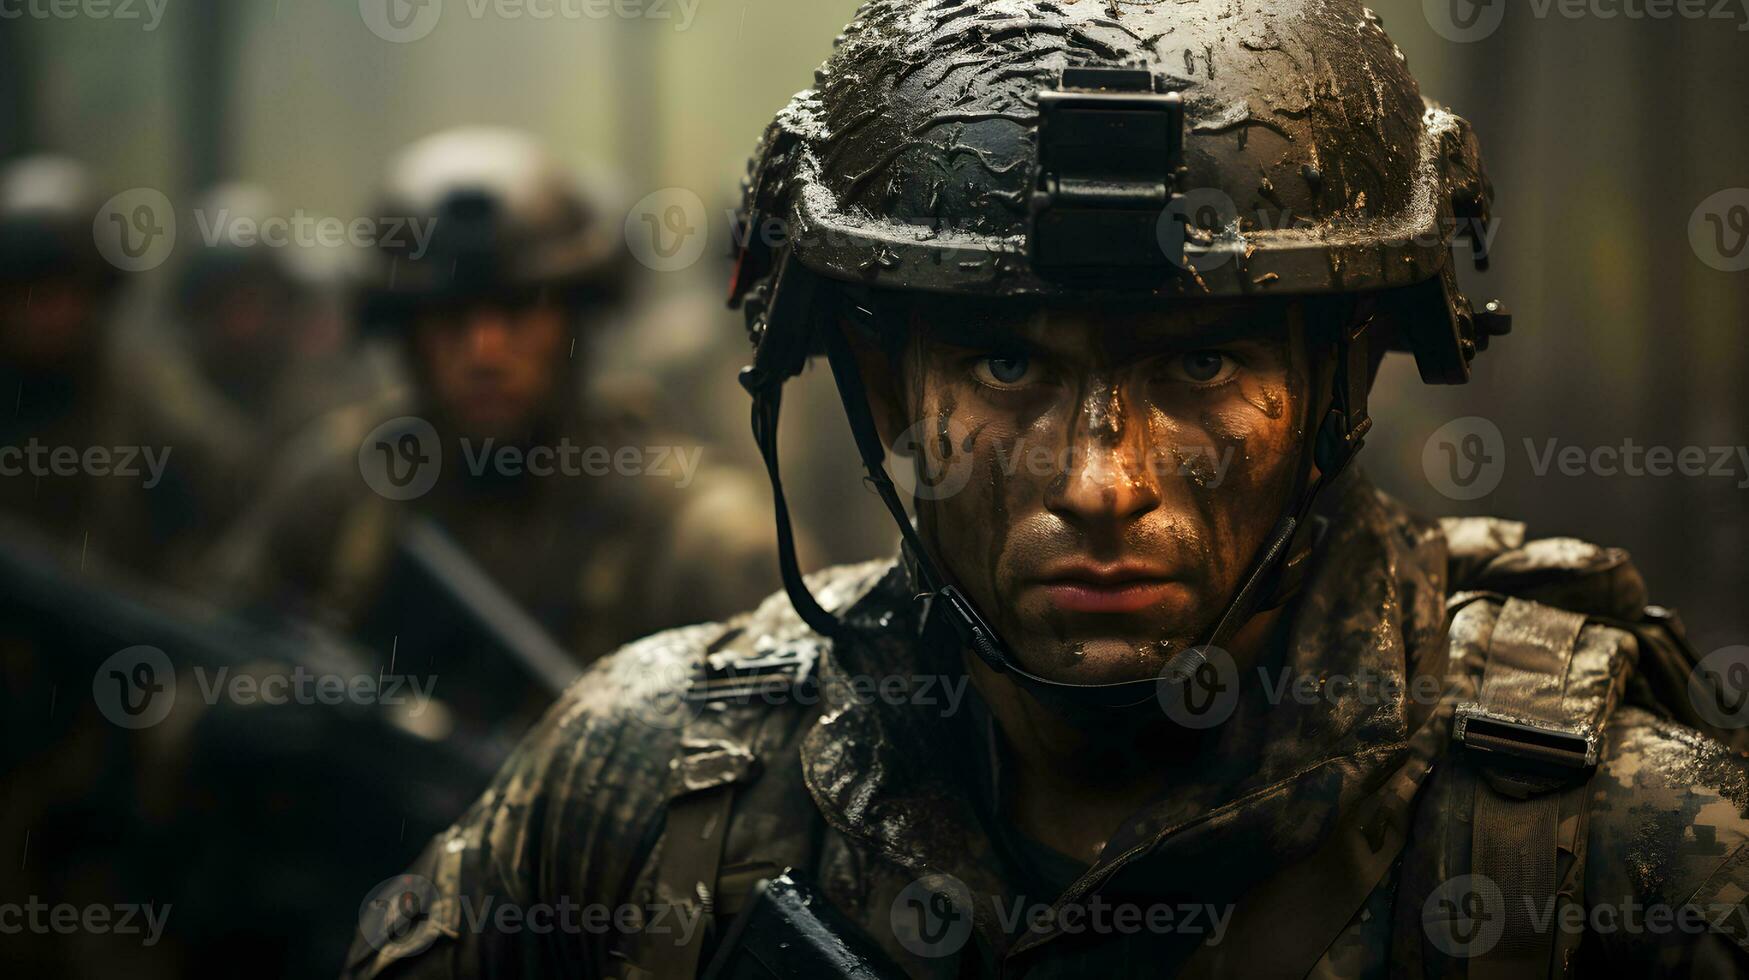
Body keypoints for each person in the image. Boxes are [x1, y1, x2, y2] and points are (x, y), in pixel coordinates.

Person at [342, 4, 1749, 977]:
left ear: (1339, 384)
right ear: (879, 384)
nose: (1099, 479)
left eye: (1201, 364)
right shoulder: (638, 790)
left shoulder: (1602, 847)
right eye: (1004, 361)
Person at [207, 127, 779, 742]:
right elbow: (195, 668)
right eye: (450, 317)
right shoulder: (343, 491)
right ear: (405, 334)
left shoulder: (691, 531)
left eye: (517, 311)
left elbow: (785, 768)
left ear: (573, 319)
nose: (484, 351)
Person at [0, 155, 242, 581]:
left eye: (58, 292)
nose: (39, 313)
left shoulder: (153, 411)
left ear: (95, 294)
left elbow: (226, 523)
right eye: (22, 293)